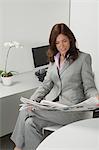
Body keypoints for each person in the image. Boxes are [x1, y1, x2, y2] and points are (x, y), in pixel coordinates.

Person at [11, 23, 99, 150]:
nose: (61, 45)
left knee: (25, 111)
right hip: (56, 108)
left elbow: (89, 87)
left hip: (73, 111)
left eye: (64, 41)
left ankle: (17, 147)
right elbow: (45, 85)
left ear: (70, 39)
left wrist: (96, 97)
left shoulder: (83, 58)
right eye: (57, 43)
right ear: (54, 44)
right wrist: (32, 101)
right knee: (30, 123)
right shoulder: (54, 60)